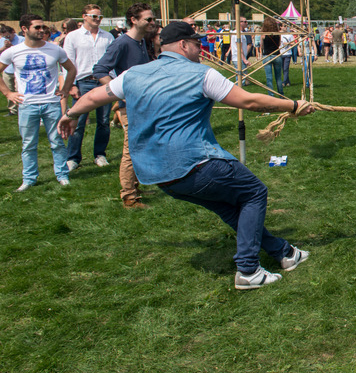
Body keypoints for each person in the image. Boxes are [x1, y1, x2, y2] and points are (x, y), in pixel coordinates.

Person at [59, 22, 317, 290]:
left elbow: (92, 97)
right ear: (183, 45)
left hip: (157, 175)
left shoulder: (132, 75)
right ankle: (249, 270)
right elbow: (249, 102)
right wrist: (294, 105)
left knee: (232, 207)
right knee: (254, 193)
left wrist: (70, 115)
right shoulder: (202, 75)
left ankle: (284, 253)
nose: (200, 49)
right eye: (197, 44)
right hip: (195, 164)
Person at [0, 14, 77, 191]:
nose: (42, 30)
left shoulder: (55, 49)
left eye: (43, 27)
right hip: (27, 105)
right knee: (28, 144)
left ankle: (62, 175)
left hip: (51, 103)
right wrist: (8, 93)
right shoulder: (13, 51)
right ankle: (29, 178)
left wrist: (65, 89)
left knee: (57, 141)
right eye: (37, 27)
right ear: (25, 29)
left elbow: (71, 69)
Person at [91, 2, 155, 209]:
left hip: (143, 103)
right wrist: (119, 91)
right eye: (148, 19)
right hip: (129, 105)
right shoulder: (122, 43)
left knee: (141, 146)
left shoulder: (141, 42)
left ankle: (135, 186)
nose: (152, 23)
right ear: (134, 20)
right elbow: (100, 69)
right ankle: (128, 196)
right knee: (130, 149)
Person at [62, 5, 115, 171]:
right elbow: (68, 62)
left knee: (104, 121)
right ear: (84, 16)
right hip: (83, 81)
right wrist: (70, 84)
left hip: (103, 81)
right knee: (78, 121)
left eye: (100, 16)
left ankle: (100, 154)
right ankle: (73, 157)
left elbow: (112, 60)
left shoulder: (107, 37)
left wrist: (111, 81)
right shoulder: (73, 37)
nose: (97, 19)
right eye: (94, 16)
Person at [260, 16, 284, 97]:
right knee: (278, 78)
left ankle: (271, 95)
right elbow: (279, 44)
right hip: (277, 55)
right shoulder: (278, 34)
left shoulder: (263, 35)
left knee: (269, 78)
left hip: (267, 55)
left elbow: (261, 46)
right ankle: (281, 95)